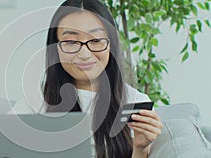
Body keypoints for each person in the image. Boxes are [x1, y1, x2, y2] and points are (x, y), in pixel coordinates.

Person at [41, 0, 163, 158]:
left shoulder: (135, 103)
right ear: (55, 48)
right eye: (71, 42)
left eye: (96, 40)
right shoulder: (38, 103)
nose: (84, 54)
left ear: (111, 44)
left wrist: (140, 149)